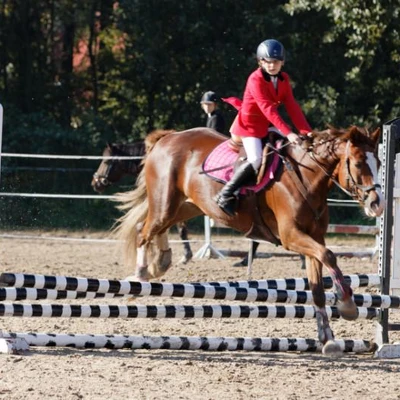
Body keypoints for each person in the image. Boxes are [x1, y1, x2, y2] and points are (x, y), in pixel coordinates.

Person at [215, 39, 312, 217]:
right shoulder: (255, 78)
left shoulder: (284, 78)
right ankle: (225, 194)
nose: (272, 65)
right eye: (268, 61)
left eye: (276, 61)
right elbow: (267, 108)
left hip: (268, 125)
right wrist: (288, 132)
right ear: (261, 62)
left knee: (290, 150)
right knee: (256, 160)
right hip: (249, 127)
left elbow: (292, 105)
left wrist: (307, 131)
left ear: (282, 62)